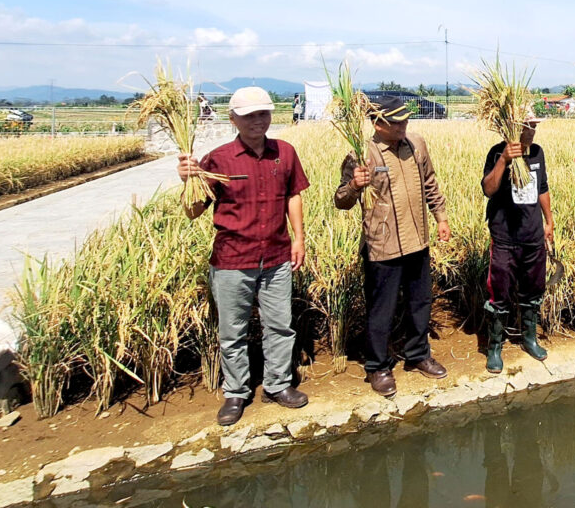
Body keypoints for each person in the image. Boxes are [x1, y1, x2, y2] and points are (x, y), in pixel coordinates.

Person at [178, 86, 309, 426]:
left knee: (280, 325)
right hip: (233, 259)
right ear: (233, 118)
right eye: (249, 116)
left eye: (263, 114)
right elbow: (193, 211)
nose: (258, 121)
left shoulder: (285, 153)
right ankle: (236, 392)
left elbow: (293, 196)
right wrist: (188, 182)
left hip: (277, 254)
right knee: (233, 331)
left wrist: (299, 239)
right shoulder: (217, 160)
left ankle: (279, 385)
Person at [334, 95, 450, 397]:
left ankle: (418, 355)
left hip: (417, 240)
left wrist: (441, 218)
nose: (404, 124)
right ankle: (377, 366)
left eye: (405, 119)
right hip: (381, 246)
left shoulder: (416, 144)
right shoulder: (361, 154)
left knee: (420, 302)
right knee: (381, 309)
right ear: (378, 124)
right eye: (396, 121)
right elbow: (341, 201)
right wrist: (355, 185)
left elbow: (430, 184)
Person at [480, 110, 554, 373]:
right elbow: (488, 189)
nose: (532, 131)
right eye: (527, 127)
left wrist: (549, 221)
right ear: (513, 128)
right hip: (505, 237)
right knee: (499, 292)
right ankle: (495, 347)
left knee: (533, 290)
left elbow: (541, 187)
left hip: (532, 236)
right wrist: (504, 160)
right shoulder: (497, 152)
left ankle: (529, 339)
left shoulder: (537, 153)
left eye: (534, 126)